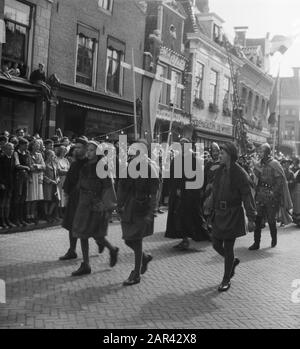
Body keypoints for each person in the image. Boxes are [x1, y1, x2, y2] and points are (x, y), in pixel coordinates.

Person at [210, 142, 256, 292]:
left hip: (233, 214)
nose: (220, 155)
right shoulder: (220, 171)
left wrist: (251, 218)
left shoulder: (240, 174)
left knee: (228, 247)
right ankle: (232, 262)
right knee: (216, 244)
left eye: (222, 153)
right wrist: (209, 207)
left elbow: (247, 197)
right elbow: (215, 191)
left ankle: (226, 279)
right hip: (220, 213)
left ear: (229, 155)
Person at [71, 141, 119, 276]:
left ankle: (112, 249)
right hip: (84, 203)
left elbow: (108, 186)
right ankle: (86, 264)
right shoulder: (85, 166)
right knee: (82, 233)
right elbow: (80, 183)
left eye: (92, 150)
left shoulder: (103, 166)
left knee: (98, 235)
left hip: (97, 204)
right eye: (88, 150)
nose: (89, 152)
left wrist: (105, 205)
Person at [117, 139, 159, 286]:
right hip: (129, 207)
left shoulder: (150, 168)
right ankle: (144, 257)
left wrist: (151, 212)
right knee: (128, 239)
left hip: (142, 207)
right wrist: (119, 205)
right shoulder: (128, 167)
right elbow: (122, 187)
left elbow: (154, 193)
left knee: (136, 238)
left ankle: (136, 274)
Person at [165, 138, 210, 250]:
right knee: (178, 217)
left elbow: (199, 177)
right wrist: (173, 190)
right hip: (177, 195)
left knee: (191, 217)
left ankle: (192, 238)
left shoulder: (194, 160)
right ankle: (184, 238)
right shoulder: (176, 159)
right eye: (181, 144)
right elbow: (172, 176)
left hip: (190, 194)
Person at [249, 143, 292, 250]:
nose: (260, 153)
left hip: (270, 196)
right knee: (257, 219)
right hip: (260, 194)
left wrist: (273, 193)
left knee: (271, 220)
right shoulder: (260, 163)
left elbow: (279, 181)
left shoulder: (275, 164)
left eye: (262, 151)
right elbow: (257, 177)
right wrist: (255, 169)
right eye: (259, 151)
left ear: (267, 152)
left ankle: (274, 239)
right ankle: (256, 243)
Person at [26, 140, 45, 224]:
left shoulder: (39, 155)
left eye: (38, 145)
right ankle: (28, 215)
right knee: (30, 198)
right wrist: (37, 167)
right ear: (32, 146)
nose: (38, 146)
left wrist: (37, 166)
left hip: (38, 177)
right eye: (36, 145)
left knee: (35, 198)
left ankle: (33, 215)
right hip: (31, 177)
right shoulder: (28, 154)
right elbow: (30, 167)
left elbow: (44, 166)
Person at [13, 137, 31, 226]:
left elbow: (29, 163)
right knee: (18, 198)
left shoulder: (27, 153)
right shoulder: (16, 153)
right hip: (18, 178)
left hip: (25, 178)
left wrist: (28, 167)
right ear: (20, 145)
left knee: (23, 198)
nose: (27, 147)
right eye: (25, 145)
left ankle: (21, 218)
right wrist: (26, 167)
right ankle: (16, 219)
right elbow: (17, 165)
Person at [0, 143, 16, 229]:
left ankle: (7, 219)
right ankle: (2, 221)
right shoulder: (2, 158)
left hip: (10, 183)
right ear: (4, 149)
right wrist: (1, 183)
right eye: (9, 149)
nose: (11, 151)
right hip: (3, 184)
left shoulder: (12, 158)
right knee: (2, 203)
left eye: (12, 149)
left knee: (8, 203)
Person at [43, 150, 60, 222]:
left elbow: (58, 174)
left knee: (56, 200)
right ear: (47, 156)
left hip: (55, 184)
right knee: (47, 200)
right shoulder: (44, 164)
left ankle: (50, 214)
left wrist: (57, 180)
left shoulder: (54, 163)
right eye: (51, 155)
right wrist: (50, 181)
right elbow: (43, 175)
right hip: (48, 185)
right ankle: (46, 215)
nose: (53, 157)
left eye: (53, 155)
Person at [56, 146, 70, 217]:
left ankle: (64, 211)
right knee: (60, 195)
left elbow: (69, 169)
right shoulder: (57, 160)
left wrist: (68, 172)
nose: (64, 153)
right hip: (60, 179)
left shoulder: (66, 160)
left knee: (65, 195)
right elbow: (59, 171)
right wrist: (68, 172)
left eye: (65, 151)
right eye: (63, 151)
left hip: (66, 179)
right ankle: (59, 212)